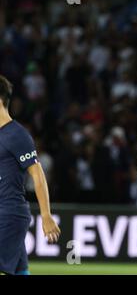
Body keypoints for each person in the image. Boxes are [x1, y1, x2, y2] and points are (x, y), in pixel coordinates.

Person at [0, 75, 60, 275]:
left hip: (9, 214)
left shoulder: (16, 135)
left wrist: (46, 215)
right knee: (20, 271)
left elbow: (37, 173)